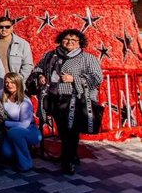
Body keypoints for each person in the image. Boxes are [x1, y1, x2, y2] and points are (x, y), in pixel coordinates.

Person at [33, 29, 102, 175]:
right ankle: (72, 155)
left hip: (75, 100)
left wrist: (74, 79)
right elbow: (38, 67)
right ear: (61, 39)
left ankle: (68, 160)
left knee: (70, 131)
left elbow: (97, 78)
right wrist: (40, 76)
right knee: (64, 130)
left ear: (80, 42)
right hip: (54, 97)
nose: (69, 42)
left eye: (74, 40)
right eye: (66, 39)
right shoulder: (50, 55)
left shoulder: (87, 58)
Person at [1, 73, 41, 171]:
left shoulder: (25, 101)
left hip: (30, 130)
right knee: (7, 153)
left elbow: (25, 124)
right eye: (7, 82)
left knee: (14, 132)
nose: (9, 85)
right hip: (12, 131)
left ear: (18, 83)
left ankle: (26, 164)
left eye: (12, 82)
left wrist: (5, 123)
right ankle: (21, 148)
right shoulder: (2, 94)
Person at [0, 17, 34, 83]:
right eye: (1, 27)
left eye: (7, 27)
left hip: (14, 84)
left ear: (12, 28)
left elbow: (28, 65)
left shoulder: (22, 44)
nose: (4, 29)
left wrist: (17, 80)